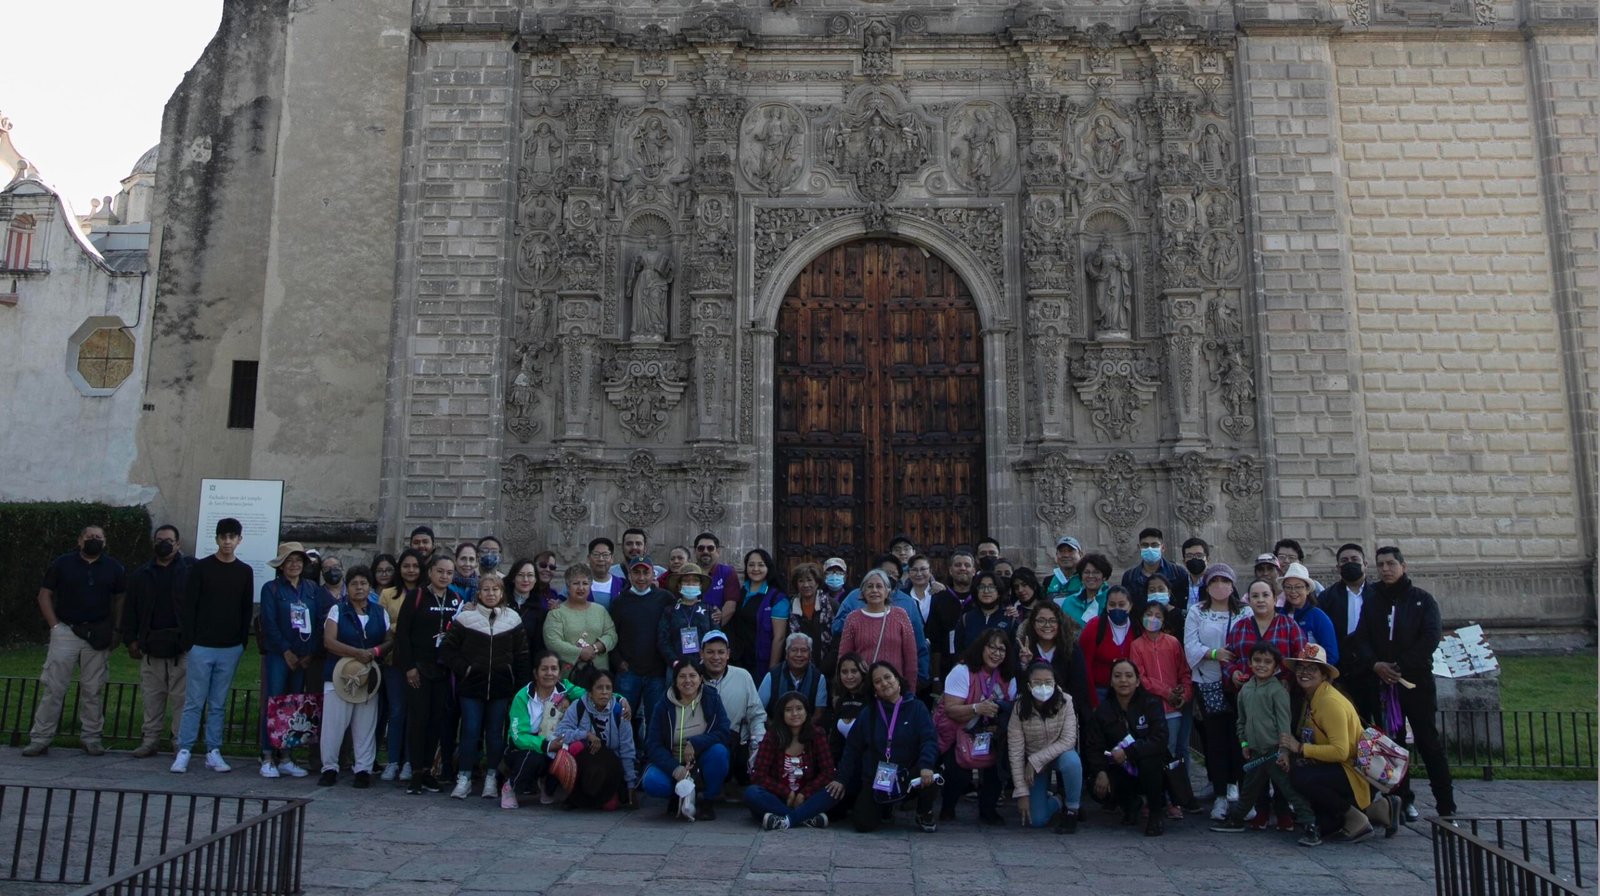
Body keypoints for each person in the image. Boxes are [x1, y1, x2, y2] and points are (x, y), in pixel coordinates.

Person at [1356, 546, 1454, 820]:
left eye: (1390, 564)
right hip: (1382, 683)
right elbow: (1361, 637)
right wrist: (1376, 664)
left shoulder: (1422, 600)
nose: (1385, 569)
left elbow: (1430, 638)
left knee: (1428, 742)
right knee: (1391, 746)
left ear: (1403, 566)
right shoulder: (1373, 600)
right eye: (1381, 565)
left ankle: (1446, 805)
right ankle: (1400, 801)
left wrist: (1400, 666)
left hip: (1415, 682)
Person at [22, 525, 127, 757]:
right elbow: (44, 594)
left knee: (93, 689)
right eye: (90, 537)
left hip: (98, 634)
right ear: (79, 541)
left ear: (105, 542)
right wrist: (55, 626)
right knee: (53, 687)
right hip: (66, 631)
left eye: (99, 537)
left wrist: (117, 630)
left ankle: (91, 737)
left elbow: (120, 598)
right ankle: (40, 737)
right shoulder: (62, 563)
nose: (94, 540)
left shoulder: (114, 568)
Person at [1282, 644, 1394, 846]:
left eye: (1312, 669)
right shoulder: (1313, 698)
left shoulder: (1329, 702)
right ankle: (1377, 809)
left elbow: (1341, 751)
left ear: (1324, 675)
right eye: (1301, 668)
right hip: (1337, 768)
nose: (1304, 673)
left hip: (1352, 771)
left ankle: (1356, 819)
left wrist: (1301, 749)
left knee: (1299, 777)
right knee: (1324, 825)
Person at [170, 518, 252, 773]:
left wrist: (241, 640)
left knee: (218, 702)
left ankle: (213, 750)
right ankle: (184, 749)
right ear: (216, 539)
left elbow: (245, 607)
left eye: (232, 537)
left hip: (230, 647)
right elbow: (190, 605)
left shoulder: (244, 571)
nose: (227, 541)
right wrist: (190, 641)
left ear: (239, 540)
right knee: (194, 700)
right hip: (202, 644)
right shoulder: (202, 568)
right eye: (223, 537)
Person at [439, 572, 530, 799]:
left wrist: (520, 687)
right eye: (486, 589)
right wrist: (466, 669)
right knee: (469, 731)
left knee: (495, 734)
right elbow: (448, 650)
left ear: (502, 593)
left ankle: (491, 777)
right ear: (479, 593)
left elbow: (522, 656)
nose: (491, 593)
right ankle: (464, 777)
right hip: (471, 687)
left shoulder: (513, 619)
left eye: (495, 589)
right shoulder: (465, 619)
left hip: (501, 687)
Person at [826, 661, 943, 833]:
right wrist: (841, 778)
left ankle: (924, 811)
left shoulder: (916, 707)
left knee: (932, 773)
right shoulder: (868, 712)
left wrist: (925, 765)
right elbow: (852, 748)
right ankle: (884, 806)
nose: (884, 683)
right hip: (878, 778)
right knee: (862, 824)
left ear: (897, 679)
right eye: (878, 681)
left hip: (908, 775)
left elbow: (929, 740)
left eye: (887, 677)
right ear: (874, 689)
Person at [1211, 643, 1315, 834]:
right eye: (1257, 660)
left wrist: (1284, 752)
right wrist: (1244, 743)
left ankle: (1310, 823)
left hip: (1275, 752)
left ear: (1275, 667)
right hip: (1256, 752)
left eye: (1267, 662)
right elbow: (1241, 721)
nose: (1261, 665)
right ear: (1249, 663)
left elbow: (1284, 724)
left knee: (1288, 789)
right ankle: (1236, 819)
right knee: (1249, 789)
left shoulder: (1278, 691)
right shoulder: (1245, 691)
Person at [396, 553, 463, 795]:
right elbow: (402, 634)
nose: (445, 576)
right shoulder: (417, 596)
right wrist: (409, 667)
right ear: (431, 572)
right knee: (418, 721)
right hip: (419, 669)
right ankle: (415, 772)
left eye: (449, 572)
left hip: (443, 671)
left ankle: (428, 771)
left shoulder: (456, 598)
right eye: (440, 571)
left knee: (437, 721)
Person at [123, 524, 192, 759]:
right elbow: (131, 609)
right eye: (160, 539)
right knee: (152, 696)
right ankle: (150, 739)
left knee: (181, 697)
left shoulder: (190, 571)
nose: (164, 543)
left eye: (169, 540)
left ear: (178, 544)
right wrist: (130, 639)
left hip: (181, 645)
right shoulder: (141, 574)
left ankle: (179, 741)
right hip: (151, 643)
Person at [318, 566, 389, 788]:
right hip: (339, 673)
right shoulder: (338, 611)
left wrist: (375, 652)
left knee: (365, 723)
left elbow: (389, 640)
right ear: (347, 588)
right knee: (334, 724)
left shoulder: (380, 612)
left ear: (369, 586)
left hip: (368, 675)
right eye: (354, 584)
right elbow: (329, 641)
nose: (359, 587)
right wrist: (356, 653)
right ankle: (329, 767)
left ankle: (363, 769)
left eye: (364, 583)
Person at [1185, 563, 1247, 819]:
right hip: (1208, 682)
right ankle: (1220, 793)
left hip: (1238, 682)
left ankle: (1241, 790)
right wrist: (1213, 654)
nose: (1220, 586)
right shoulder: (1197, 611)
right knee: (1216, 740)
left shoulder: (1245, 612)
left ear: (1232, 585)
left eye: (1225, 581)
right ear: (1207, 585)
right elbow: (1190, 646)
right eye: (1214, 581)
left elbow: (1249, 644)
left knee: (1240, 738)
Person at [1083, 658, 1170, 837]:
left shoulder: (1151, 703)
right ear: (1111, 681)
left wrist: (1130, 752)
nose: (1123, 680)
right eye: (1118, 676)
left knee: (1150, 761)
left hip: (1149, 766)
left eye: (1129, 676)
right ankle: (1130, 804)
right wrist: (1100, 771)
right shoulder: (1103, 710)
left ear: (1138, 681)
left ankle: (1155, 814)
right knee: (1094, 784)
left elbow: (1160, 739)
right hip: (1117, 766)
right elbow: (1093, 746)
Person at [937, 629, 1016, 824]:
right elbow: (951, 709)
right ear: (981, 647)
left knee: (997, 769)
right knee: (958, 772)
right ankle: (948, 807)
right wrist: (977, 708)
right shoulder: (962, 671)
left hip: (990, 733)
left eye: (1002, 649)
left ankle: (987, 809)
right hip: (958, 730)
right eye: (992, 647)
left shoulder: (1008, 676)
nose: (996, 653)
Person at [257, 542, 321, 778]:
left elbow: (317, 621)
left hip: (304, 655)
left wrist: (309, 653)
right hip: (279, 654)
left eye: (298, 561)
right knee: (274, 701)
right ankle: (266, 754)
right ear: (281, 565)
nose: (294, 565)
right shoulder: (271, 589)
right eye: (289, 561)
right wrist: (286, 651)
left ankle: (286, 755)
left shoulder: (311, 589)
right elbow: (269, 623)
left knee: (294, 705)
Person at [644, 659, 733, 820]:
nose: (688, 681)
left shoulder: (711, 698)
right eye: (682, 676)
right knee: (651, 780)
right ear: (675, 680)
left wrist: (695, 742)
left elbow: (724, 731)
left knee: (720, 752)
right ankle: (677, 796)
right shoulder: (663, 705)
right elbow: (653, 744)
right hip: (673, 761)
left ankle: (707, 801)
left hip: (701, 761)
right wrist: (675, 769)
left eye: (693, 676)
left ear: (700, 679)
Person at [1129, 600, 1195, 818]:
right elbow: (1141, 677)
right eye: (1149, 614)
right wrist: (1166, 691)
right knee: (1152, 756)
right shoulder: (1136, 645)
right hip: (1150, 708)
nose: (1153, 619)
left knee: (1172, 755)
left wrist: (1183, 695)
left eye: (1158, 615)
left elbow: (1184, 672)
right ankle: (1153, 799)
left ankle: (1174, 800)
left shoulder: (1173, 643)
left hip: (1173, 709)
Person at [501, 651, 584, 808]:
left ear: (559, 673)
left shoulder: (565, 688)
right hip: (523, 747)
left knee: (573, 752)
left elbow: (592, 695)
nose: (549, 673)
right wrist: (545, 745)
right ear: (536, 672)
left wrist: (620, 700)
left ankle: (547, 787)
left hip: (556, 743)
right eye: (544, 669)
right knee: (533, 758)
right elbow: (518, 736)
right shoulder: (523, 696)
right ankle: (510, 787)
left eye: (554, 669)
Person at [1008, 660, 1083, 833]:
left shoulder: (1066, 701)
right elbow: (1015, 751)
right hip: (1033, 766)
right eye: (1037, 682)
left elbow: (1068, 740)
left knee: (1072, 761)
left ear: (1055, 682)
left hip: (1057, 756)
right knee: (1036, 820)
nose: (1043, 687)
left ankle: (1072, 809)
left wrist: (1035, 760)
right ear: (1028, 685)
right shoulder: (1019, 708)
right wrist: (1022, 793)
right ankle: (1057, 800)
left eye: (1048, 682)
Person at [747, 691, 838, 830]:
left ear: (807, 712)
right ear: (781, 714)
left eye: (799, 709)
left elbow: (828, 772)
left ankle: (785, 820)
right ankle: (806, 818)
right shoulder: (772, 736)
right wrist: (786, 792)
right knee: (752, 793)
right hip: (778, 798)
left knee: (834, 791)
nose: (795, 713)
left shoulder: (817, 734)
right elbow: (758, 775)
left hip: (808, 798)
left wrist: (804, 793)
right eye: (788, 710)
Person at [554, 669, 638, 810]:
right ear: (590, 691)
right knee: (575, 746)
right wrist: (585, 735)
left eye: (608, 688)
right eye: (599, 687)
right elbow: (560, 733)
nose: (604, 692)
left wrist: (631, 785)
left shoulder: (620, 711)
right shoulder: (578, 707)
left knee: (610, 806)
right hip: (584, 764)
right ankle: (576, 793)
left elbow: (627, 749)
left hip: (611, 766)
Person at [609, 557, 672, 740]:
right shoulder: (620, 602)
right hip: (629, 673)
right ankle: (625, 760)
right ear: (629, 575)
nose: (641, 577)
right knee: (622, 718)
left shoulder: (665, 598)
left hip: (656, 673)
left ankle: (651, 758)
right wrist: (618, 662)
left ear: (653, 574)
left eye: (646, 572)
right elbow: (611, 634)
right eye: (637, 572)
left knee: (655, 720)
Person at [698, 630, 765, 794]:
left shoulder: (743, 676)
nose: (716, 657)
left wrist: (758, 744)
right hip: (701, 743)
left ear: (728, 654)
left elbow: (756, 714)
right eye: (710, 652)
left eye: (721, 652)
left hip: (736, 743)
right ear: (701, 653)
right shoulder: (692, 676)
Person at [377, 547, 424, 782]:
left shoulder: (426, 593)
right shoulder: (388, 594)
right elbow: (382, 626)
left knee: (414, 713)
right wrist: (403, 629)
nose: (411, 570)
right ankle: (393, 760)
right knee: (396, 712)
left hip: (418, 661)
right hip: (394, 660)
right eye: (406, 565)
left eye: (415, 566)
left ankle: (409, 761)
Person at [1320, 543, 1379, 723]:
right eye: (1344, 561)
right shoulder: (1327, 598)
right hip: (1342, 670)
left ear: (1365, 564)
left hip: (1374, 670)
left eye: (1355, 560)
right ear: (1338, 567)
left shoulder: (1379, 595)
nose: (1350, 563)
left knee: (1379, 724)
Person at [837, 570, 918, 692]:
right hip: (863, 688)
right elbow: (844, 657)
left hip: (894, 688)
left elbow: (911, 657)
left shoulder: (900, 616)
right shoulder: (852, 619)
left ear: (887, 592)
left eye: (879, 586)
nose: (874, 590)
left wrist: (910, 690)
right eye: (870, 586)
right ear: (863, 592)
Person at [1016, 601, 1091, 722]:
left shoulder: (1072, 649)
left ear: (1059, 623)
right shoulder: (1023, 648)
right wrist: (1025, 664)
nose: (1047, 625)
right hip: (1031, 715)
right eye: (1041, 620)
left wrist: (1063, 711)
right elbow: (1019, 687)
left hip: (1065, 714)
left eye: (1052, 621)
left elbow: (1079, 688)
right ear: (1033, 624)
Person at [1225, 579, 1307, 687]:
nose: (1260, 600)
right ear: (1249, 601)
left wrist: (1288, 679)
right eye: (1255, 596)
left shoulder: (1289, 625)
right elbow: (1227, 657)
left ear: (1275, 599)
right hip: (1246, 692)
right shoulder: (1239, 627)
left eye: (1265, 595)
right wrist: (1233, 672)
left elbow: (1301, 658)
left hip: (1281, 692)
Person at [543, 564, 616, 680]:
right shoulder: (556, 613)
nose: (581, 588)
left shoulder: (600, 610)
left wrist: (594, 648)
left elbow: (612, 634)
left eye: (585, 584)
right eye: (576, 583)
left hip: (600, 678)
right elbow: (553, 641)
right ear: (567, 586)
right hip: (569, 677)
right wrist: (579, 653)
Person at [724, 548, 789, 676]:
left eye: (761, 565)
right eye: (751, 565)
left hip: (761, 664)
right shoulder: (741, 592)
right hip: (737, 661)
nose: (755, 569)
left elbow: (779, 637)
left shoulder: (777, 598)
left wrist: (772, 670)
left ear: (768, 568)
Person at [1078, 585, 1136, 706]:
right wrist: (1093, 702)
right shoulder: (1094, 626)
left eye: (1121, 604)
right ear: (1106, 605)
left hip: (1130, 692)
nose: (1117, 608)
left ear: (1130, 606)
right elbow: (1084, 665)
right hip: (1100, 692)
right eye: (1112, 604)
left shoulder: (1137, 628)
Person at [1119, 527, 1192, 616]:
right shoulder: (1130, 577)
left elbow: (1183, 606)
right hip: (1140, 627)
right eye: (1145, 545)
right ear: (1139, 547)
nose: (1149, 549)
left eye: (1154, 545)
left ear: (1163, 548)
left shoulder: (1178, 573)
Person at [759, 633, 828, 725]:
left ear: (810, 655)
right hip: (775, 732)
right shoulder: (772, 676)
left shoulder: (819, 678)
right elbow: (759, 710)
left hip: (806, 733)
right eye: (794, 650)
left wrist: (800, 733)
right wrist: (776, 731)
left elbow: (818, 714)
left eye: (803, 650)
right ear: (787, 654)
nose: (799, 655)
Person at [657, 562, 716, 667]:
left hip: (703, 666)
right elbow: (663, 639)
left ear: (700, 586)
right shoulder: (670, 611)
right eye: (686, 581)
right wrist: (674, 661)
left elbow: (716, 636)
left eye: (695, 581)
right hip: (676, 667)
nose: (690, 584)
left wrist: (708, 658)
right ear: (679, 585)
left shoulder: (709, 610)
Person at [1281, 562, 1339, 665]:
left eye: (1298, 587)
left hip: (1310, 674)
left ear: (1307, 589)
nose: (1293, 591)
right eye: (1288, 587)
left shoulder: (1318, 617)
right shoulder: (1280, 616)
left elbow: (1331, 655)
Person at [785, 563, 837, 675]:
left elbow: (837, 638)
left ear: (817, 583)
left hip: (827, 667)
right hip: (798, 668)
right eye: (801, 581)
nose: (806, 585)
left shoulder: (831, 605)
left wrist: (825, 667)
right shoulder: (790, 607)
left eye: (809, 580)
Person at [505, 555, 561, 659]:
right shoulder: (501, 604)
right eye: (520, 575)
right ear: (513, 578)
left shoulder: (540, 611)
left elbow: (538, 648)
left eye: (530, 575)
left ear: (535, 579)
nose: (525, 579)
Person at [954, 570, 1014, 656]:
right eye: (982, 587)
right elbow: (959, 651)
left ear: (999, 592)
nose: (986, 591)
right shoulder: (966, 619)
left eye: (991, 587)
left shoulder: (1010, 618)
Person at [827, 653, 871, 763]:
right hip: (843, 765)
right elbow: (835, 740)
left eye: (854, 671)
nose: (849, 676)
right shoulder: (840, 701)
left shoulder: (872, 700)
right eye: (844, 672)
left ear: (862, 672)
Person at [691, 533, 740, 617]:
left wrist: (715, 626)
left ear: (717, 551)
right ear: (695, 551)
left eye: (710, 548)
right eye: (701, 548)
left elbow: (731, 605)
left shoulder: (728, 572)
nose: (705, 551)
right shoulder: (689, 573)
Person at [1059, 553, 1112, 626]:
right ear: (1081, 576)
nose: (1091, 576)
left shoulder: (1111, 600)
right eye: (1086, 572)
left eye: (1096, 572)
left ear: (1104, 577)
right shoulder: (1069, 602)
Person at [584, 538, 627, 609]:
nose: (601, 559)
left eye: (605, 555)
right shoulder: (577, 583)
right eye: (596, 555)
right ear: (589, 558)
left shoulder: (622, 584)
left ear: (612, 558)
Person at [1042, 536, 1084, 605]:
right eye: (1061, 551)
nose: (1066, 555)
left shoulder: (1086, 579)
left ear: (1080, 554)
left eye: (1070, 551)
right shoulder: (1048, 581)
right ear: (1056, 555)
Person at [1180, 538, 1210, 605]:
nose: (1194, 559)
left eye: (1199, 555)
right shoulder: (1178, 586)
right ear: (1184, 562)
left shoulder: (1218, 583)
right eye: (1189, 556)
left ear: (1208, 559)